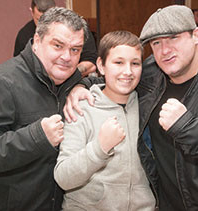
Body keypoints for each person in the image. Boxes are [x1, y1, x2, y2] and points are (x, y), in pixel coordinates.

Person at [63, 5, 198, 211]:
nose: (165, 50)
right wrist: (81, 85)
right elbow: (117, 76)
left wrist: (188, 128)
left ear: (196, 35)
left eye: (173, 38)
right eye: (156, 42)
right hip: (165, 202)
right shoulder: (151, 70)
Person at [0, 7, 88, 211]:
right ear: (37, 40)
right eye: (58, 45)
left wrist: (82, 86)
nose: (67, 57)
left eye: (75, 49)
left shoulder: (68, 80)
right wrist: (38, 136)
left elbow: (101, 79)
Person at [54, 31, 156, 210]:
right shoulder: (81, 108)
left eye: (135, 63)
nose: (127, 72)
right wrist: (99, 148)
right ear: (101, 65)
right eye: (118, 62)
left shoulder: (147, 107)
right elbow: (63, 178)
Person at [14, 0, 98, 77]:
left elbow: (91, 63)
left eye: (74, 49)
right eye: (39, 19)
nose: (44, 24)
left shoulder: (78, 30)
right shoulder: (24, 35)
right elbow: (19, 67)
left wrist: (69, 74)